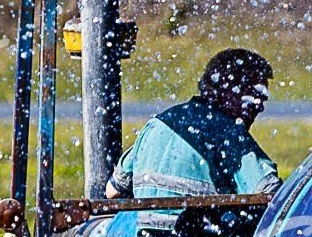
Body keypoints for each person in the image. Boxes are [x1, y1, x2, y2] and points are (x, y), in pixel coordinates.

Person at [106, 48, 280, 201]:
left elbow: (112, 191)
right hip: (199, 230)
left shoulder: (157, 125)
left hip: (145, 230)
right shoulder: (227, 133)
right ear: (227, 91)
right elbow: (272, 195)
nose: (259, 106)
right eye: (253, 97)